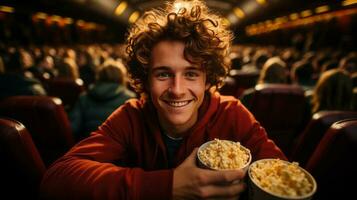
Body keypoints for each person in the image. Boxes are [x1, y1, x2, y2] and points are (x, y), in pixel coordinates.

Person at [40, 0, 286, 199]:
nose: (177, 89)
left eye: (191, 74)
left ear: (208, 80)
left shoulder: (233, 114)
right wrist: (167, 186)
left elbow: (284, 177)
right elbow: (57, 179)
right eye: (163, 74)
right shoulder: (131, 116)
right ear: (145, 79)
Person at [69, 59, 136, 141]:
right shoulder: (129, 99)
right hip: (117, 149)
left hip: (88, 145)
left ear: (99, 76)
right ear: (122, 77)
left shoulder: (84, 97)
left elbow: (73, 128)